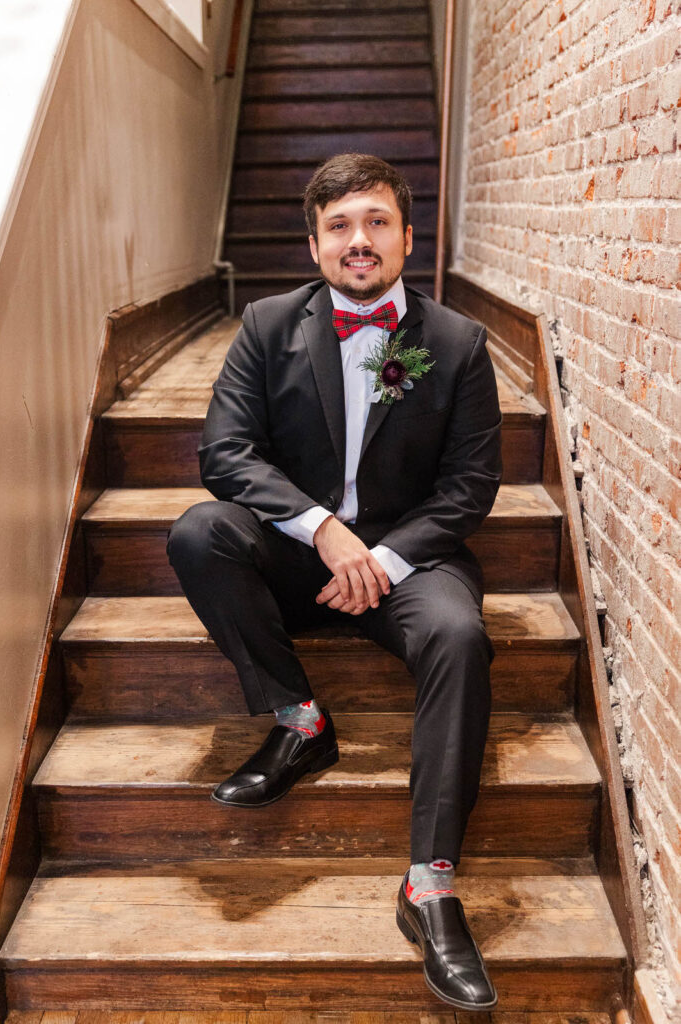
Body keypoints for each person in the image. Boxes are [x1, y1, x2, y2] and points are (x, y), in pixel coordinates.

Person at [167, 153, 502, 1010]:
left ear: (406, 237)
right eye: (341, 226)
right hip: (301, 551)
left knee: (460, 635)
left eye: (377, 222)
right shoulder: (268, 324)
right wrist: (322, 530)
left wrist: (380, 558)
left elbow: (468, 488)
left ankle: (429, 886)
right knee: (201, 533)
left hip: (408, 558)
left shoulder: (457, 344)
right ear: (314, 245)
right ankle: (299, 720)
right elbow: (224, 453)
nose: (360, 241)